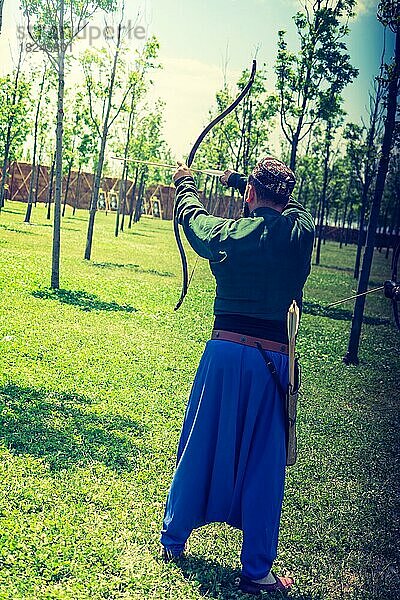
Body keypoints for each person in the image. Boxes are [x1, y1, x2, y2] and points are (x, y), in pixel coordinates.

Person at [160, 156, 315, 595]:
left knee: (200, 444)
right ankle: (257, 571)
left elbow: (192, 219)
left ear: (249, 197)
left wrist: (185, 182)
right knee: (266, 463)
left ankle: (173, 540)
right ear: (283, 198)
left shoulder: (229, 233)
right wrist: (243, 181)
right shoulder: (299, 231)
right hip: (273, 363)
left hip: (224, 356)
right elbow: (290, 207)